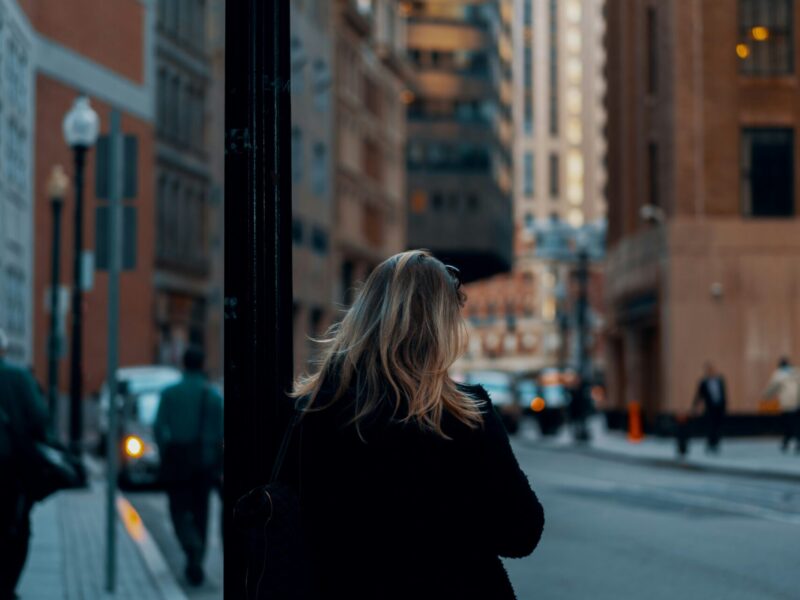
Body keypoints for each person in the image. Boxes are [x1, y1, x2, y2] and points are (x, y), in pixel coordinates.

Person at [287, 250, 545, 599]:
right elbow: (521, 532)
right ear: (441, 326)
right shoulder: (465, 414)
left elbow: (302, 526)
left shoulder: (314, 409)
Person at [154, 346, 223, 587]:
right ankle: (198, 557)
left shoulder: (170, 394)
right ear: (202, 364)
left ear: (183, 364)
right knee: (201, 512)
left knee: (178, 510)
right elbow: (221, 433)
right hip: (204, 464)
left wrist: (166, 452)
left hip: (177, 461)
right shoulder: (212, 396)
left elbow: (158, 427)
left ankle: (189, 544)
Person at [0, 328, 48, 600]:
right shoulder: (19, 378)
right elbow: (40, 419)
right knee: (16, 527)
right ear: (4, 351)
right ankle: (7, 586)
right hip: (11, 470)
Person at [762, 357, 800, 453]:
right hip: (797, 401)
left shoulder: (779, 374)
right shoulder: (796, 372)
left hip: (788, 403)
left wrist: (765, 396)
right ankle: (790, 442)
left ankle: (787, 442)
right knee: (795, 423)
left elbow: (772, 387)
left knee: (788, 424)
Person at [692, 361, 727, 453]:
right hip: (710, 408)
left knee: (718, 425)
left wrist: (724, 405)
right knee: (710, 426)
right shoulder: (703, 382)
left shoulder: (720, 380)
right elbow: (699, 395)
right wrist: (695, 406)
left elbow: (723, 394)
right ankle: (710, 444)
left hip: (719, 407)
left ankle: (716, 443)